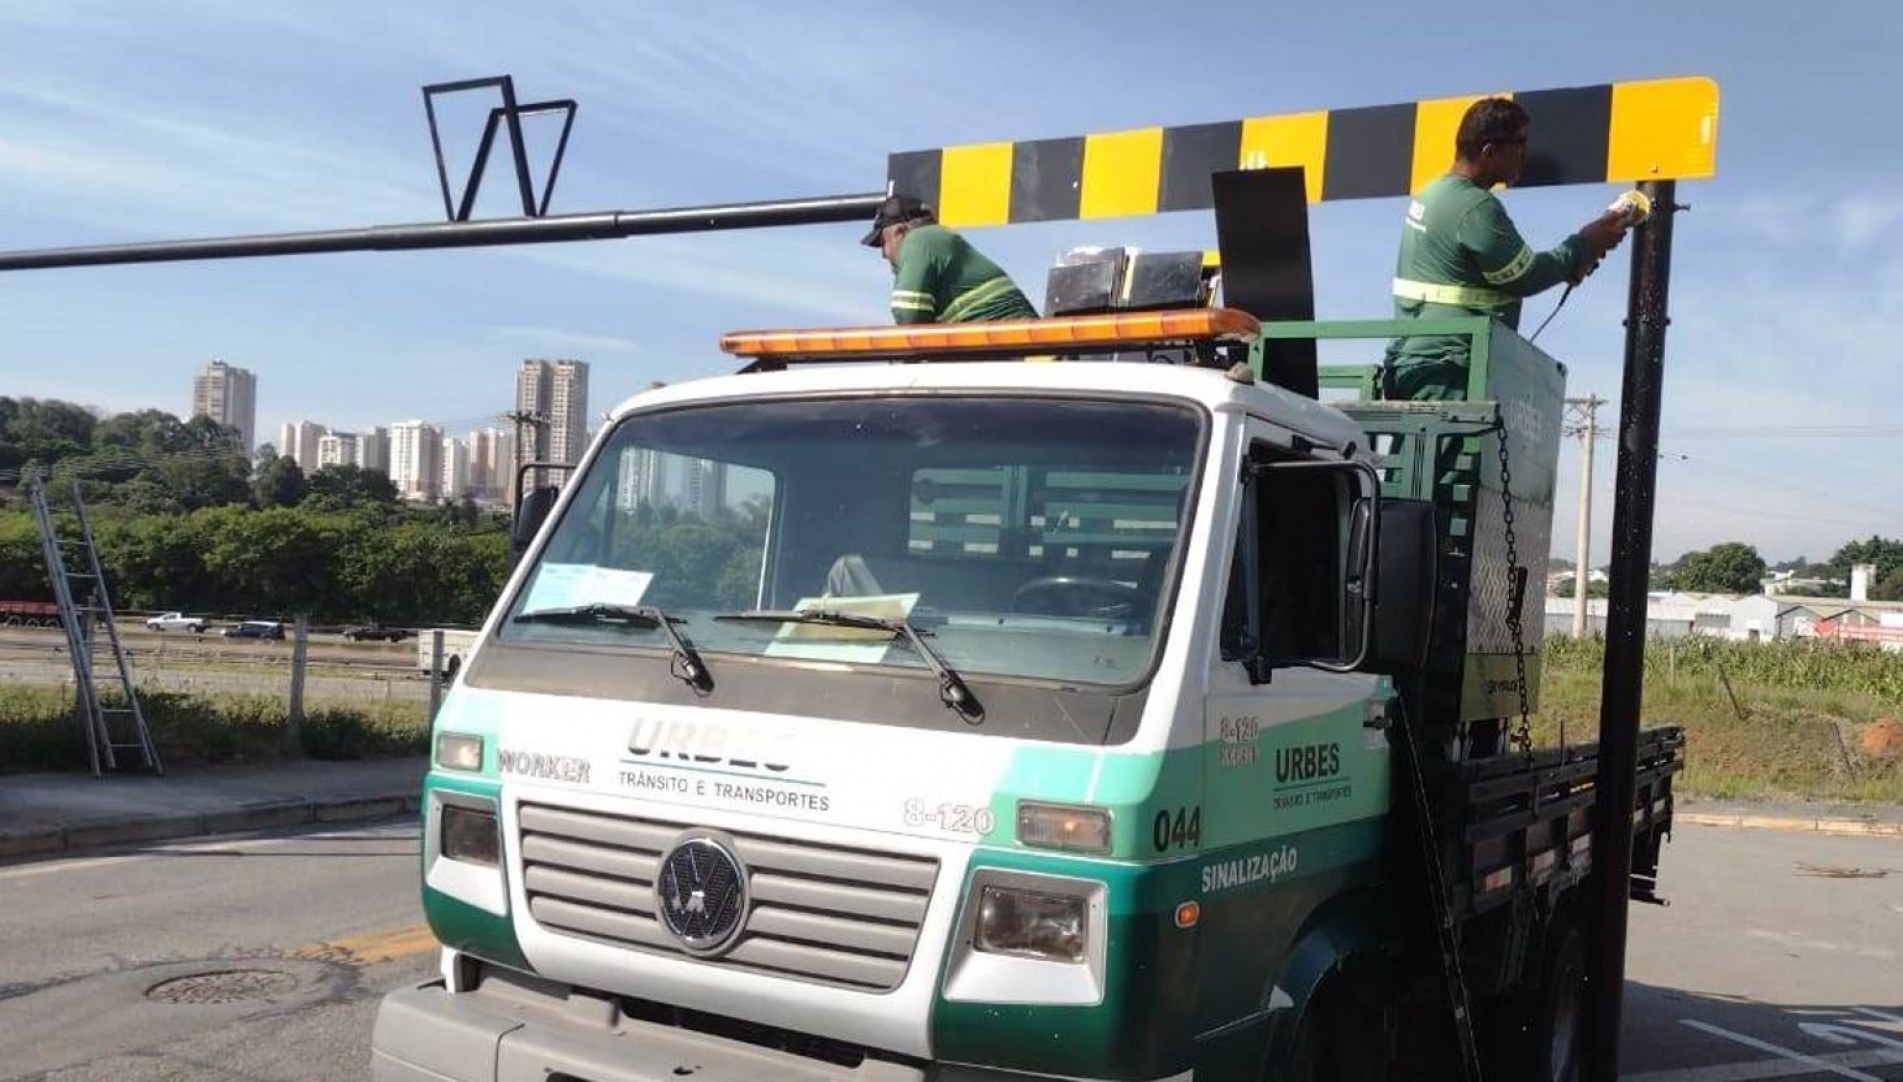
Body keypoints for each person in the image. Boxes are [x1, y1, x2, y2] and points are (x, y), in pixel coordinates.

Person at [1382, 97, 1636, 400]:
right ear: (1490, 151)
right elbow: (1526, 276)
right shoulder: (1475, 208)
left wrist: (1577, 256)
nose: (1525, 155)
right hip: (1451, 365)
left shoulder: (1433, 193)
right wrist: (1584, 244)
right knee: (1448, 449)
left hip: (1416, 357)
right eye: (1520, 143)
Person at [863, 195, 1038, 324]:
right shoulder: (940, 239)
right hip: (1018, 345)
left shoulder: (919, 239)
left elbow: (908, 314)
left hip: (1009, 349)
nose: (884, 254)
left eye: (883, 242)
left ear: (900, 232)